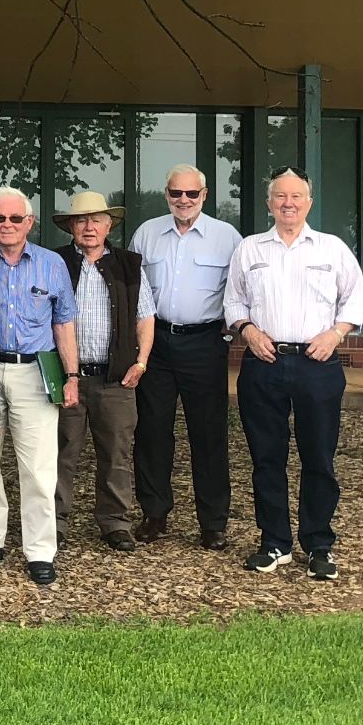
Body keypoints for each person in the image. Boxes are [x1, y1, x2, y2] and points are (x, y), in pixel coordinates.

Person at [226, 167, 363, 581]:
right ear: (269, 203)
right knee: (266, 458)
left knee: (318, 457)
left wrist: (336, 333)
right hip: (263, 362)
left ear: (309, 202)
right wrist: (247, 331)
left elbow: (355, 302)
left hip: (317, 363)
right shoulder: (250, 249)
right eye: (280, 196)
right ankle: (274, 543)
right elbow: (233, 302)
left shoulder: (331, 249)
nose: (288, 203)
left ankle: (319, 545)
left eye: (296, 196)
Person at [0, 187, 80, 586]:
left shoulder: (51, 265)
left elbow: (64, 322)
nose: (7, 226)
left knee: (38, 467)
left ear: (30, 222)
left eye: (16, 219)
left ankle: (40, 550)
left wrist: (72, 375)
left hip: (36, 373)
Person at [131, 164, 241, 550]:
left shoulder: (226, 237)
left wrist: (228, 331)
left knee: (209, 433)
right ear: (166, 194)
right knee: (152, 432)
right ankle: (154, 514)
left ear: (204, 196)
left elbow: (240, 289)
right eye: (176, 193)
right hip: (157, 344)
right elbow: (135, 291)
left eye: (191, 194)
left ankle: (213, 522)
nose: (183, 200)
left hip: (205, 343)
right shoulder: (147, 234)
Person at [51, 192, 154, 551]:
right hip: (68, 377)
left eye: (96, 220)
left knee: (117, 453)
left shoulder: (128, 264)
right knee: (61, 452)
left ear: (110, 225)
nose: (89, 226)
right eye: (81, 220)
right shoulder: (57, 262)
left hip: (116, 378)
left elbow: (145, 317)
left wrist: (141, 362)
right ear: (71, 227)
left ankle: (115, 523)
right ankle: (55, 523)